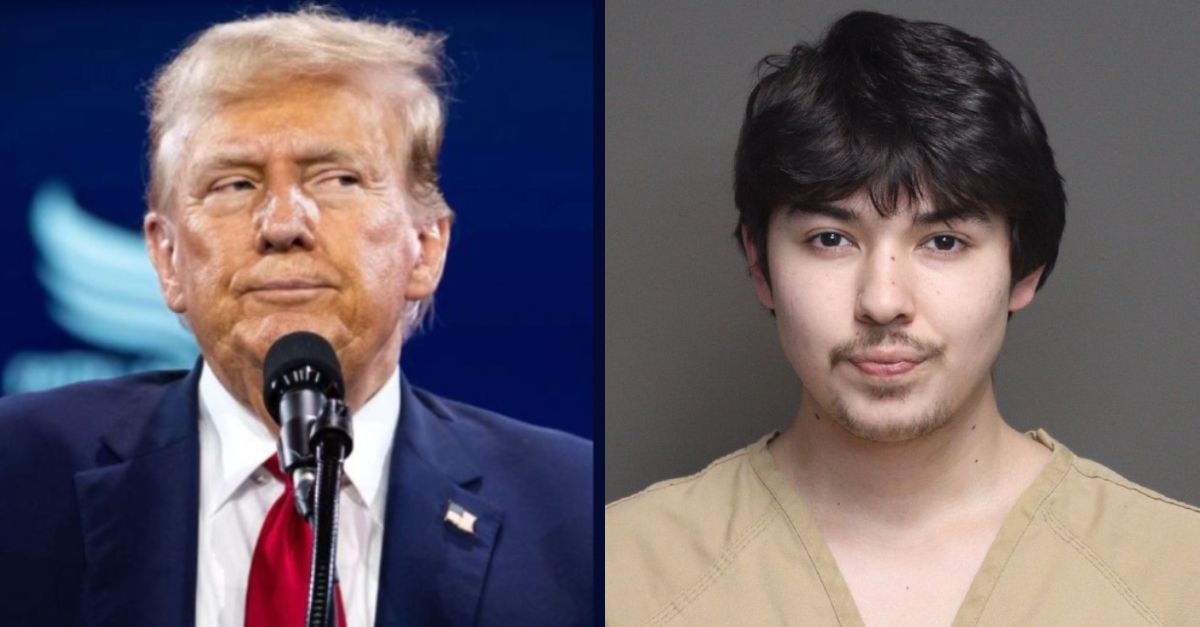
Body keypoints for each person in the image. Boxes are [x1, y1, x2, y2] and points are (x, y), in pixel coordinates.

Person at [605, 11, 1199, 626]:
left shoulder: (1177, 576)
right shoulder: (621, 571)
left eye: (943, 241)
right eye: (831, 238)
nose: (883, 300)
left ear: (1026, 270)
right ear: (761, 268)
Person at [0, 8, 591, 627]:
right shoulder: (17, 476)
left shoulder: (576, 513)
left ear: (427, 247)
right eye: (233, 185)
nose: (283, 225)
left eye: (337, 179)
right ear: (167, 257)